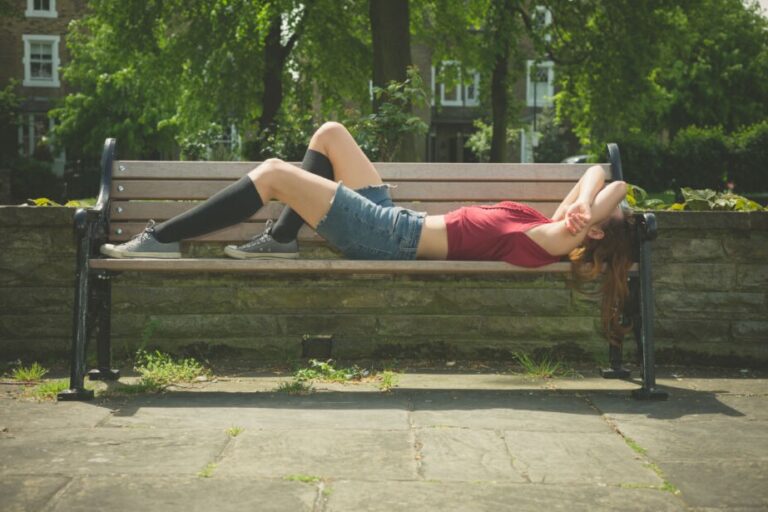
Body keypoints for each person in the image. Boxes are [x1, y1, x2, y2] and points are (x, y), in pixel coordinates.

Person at [101, 121, 635, 344]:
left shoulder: (552, 242)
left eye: (593, 220)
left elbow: (620, 187)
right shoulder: (557, 223)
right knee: (331, 133)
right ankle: (283, 240)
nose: (581, 212)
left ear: (592, 238)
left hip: (388, 236)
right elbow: (601, 173)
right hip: (395, 219)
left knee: (274, 174)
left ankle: (163, 239)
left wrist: (587, 215)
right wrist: (583, 203)